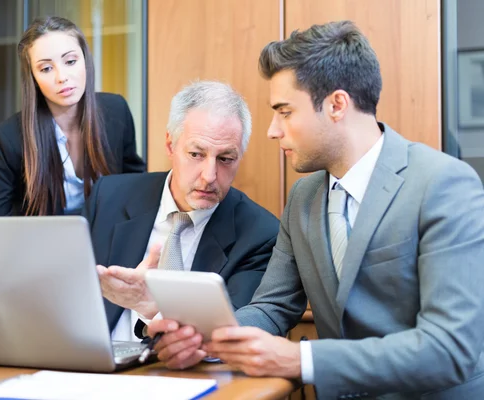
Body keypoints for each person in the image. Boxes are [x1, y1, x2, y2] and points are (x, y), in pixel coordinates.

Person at [149, 21, 484, 399]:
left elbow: (449, 349)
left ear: (337, 105)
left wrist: (301, 360)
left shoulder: (443, 185)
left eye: (285, 111)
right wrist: (204, 339)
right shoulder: (303, 197)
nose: (273, 130)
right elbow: (273, 307)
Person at [85, 80, 279, 341]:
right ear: (170, 145)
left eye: (225, 159)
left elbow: (228, 333)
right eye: (196, 154)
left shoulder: (260, 235)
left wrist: (152, 309)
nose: (209, 176)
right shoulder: (109, 196)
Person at [0, 16, 145, 216]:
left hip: (107, 241)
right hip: (39, 243)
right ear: (33, 78)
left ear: (85, 61)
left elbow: (136, 187)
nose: (62, 77)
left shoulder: (116, 111)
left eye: (71, 61)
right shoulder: (6, 140)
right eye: (46, 68)